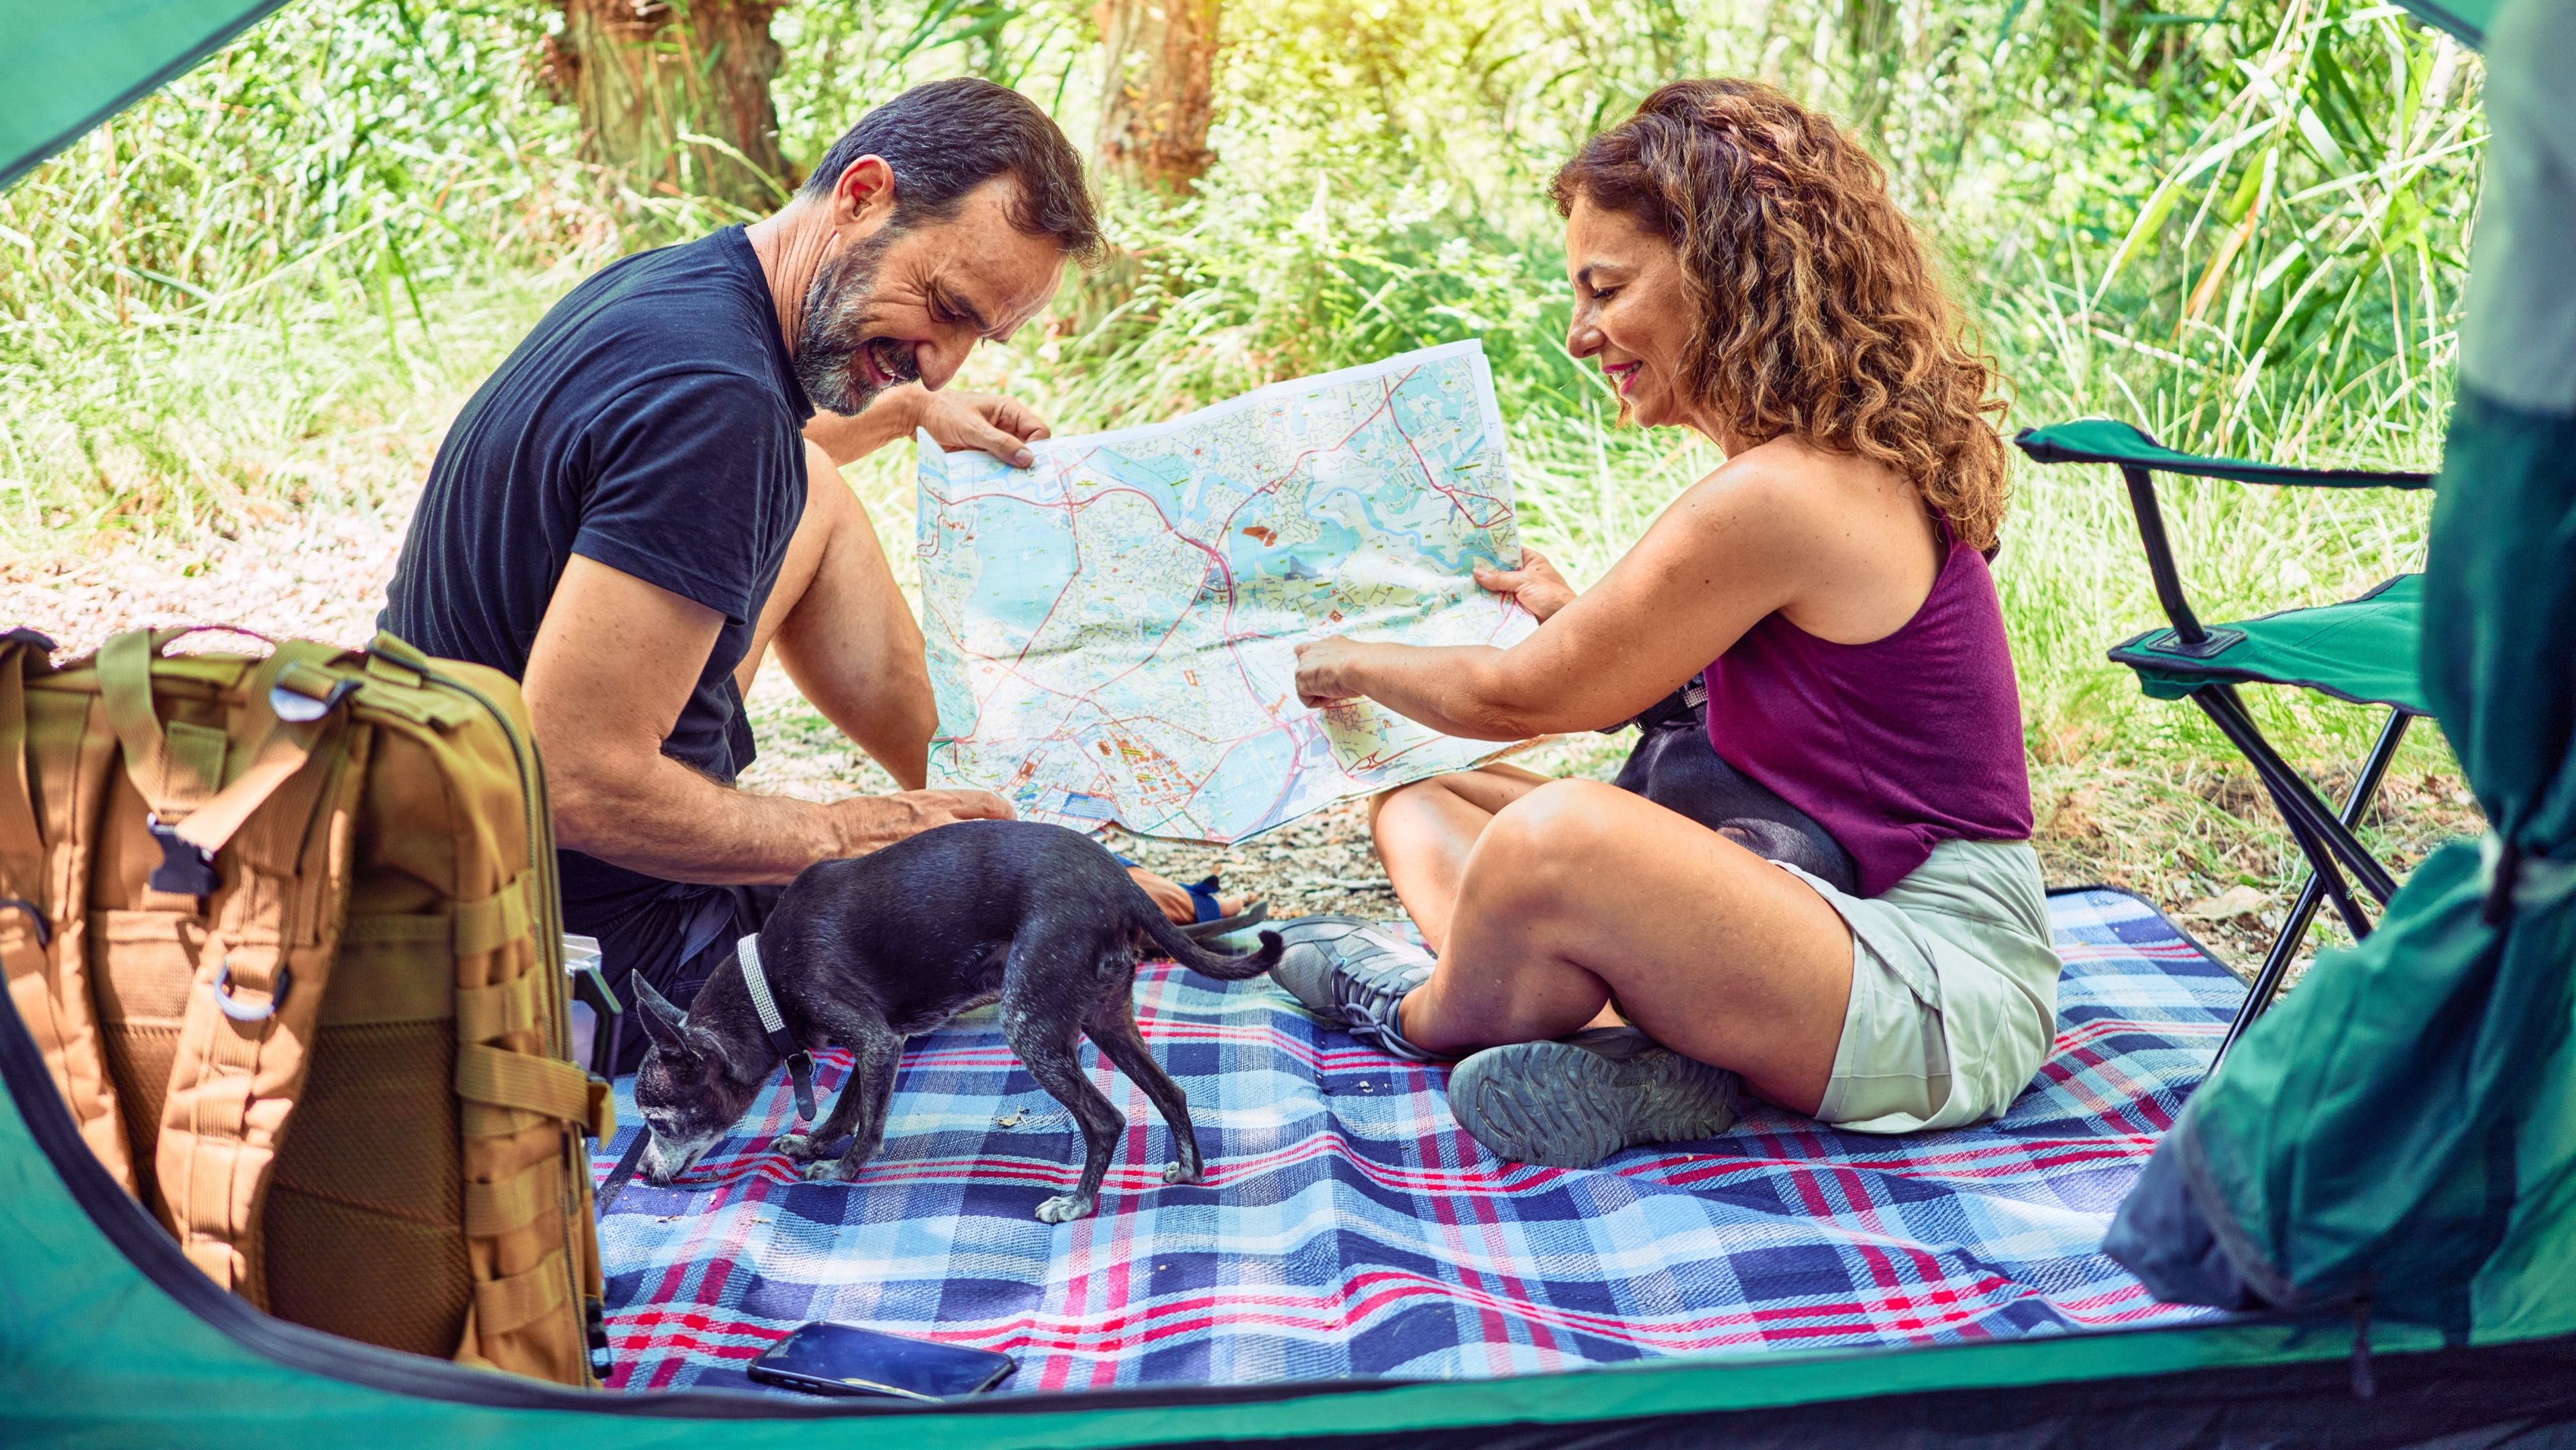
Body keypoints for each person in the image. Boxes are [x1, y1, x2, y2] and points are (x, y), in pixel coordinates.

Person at [1271, 79, 2059, 1168]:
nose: (1580, 334)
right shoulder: (1804, 470)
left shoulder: (1788, 490)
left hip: (1932, 982)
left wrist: (1348, 659)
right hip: (1809, 896)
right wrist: (1579, 616)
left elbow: (1524, 698)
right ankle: (1646, 1053)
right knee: (1419, 784)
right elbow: (1752, 706)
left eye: (1605, 289)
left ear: (1730, 269)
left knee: (1557, 837)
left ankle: (1412, 1009)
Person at [380, 78, 1230, 1061]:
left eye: (976, 336)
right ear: (863, 195)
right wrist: (866, 831)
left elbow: (741, 448)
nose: (944, 363)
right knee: (945, 935)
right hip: (565, 965)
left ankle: (1006, 831)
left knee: (815, 491)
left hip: (425, 861)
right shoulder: (718, 408)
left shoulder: (682, 295)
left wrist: (908, 411)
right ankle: (1001, 851)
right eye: (944, 307)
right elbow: (569, 779)